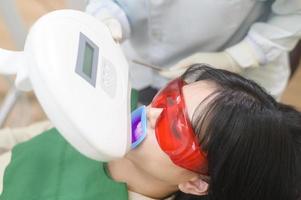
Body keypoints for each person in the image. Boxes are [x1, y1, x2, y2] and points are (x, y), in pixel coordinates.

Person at [0, 65, 300, 200]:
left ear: (196, 184)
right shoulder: (115, 112)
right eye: (169, 98)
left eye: (176, 128)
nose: (151, 113)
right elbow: (31, 137)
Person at [86, 0, 301, 102]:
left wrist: (237, 58)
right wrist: (108, 15)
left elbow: (294, 13)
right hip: (138, 60)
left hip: (235, 71)